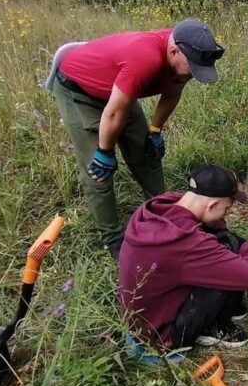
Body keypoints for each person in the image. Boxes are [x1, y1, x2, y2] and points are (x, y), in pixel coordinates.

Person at [49, 19, 224, 259]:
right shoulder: (145, 59)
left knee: (146, 152)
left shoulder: (182, 55)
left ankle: (165, 213)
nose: (194, 74)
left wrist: (154, 130)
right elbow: (113, 113)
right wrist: (105, 151)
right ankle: (114, 241)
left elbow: (172, 92)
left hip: (118, 91)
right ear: (173, 51)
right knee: (98, 171)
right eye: (192, 69)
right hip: (81, 92)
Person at [119, 165, 248, 352]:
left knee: (221, 240)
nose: (226, 214)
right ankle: (210, 328)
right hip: (160, 336)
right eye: (227, 208)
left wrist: (218, 227)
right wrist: (243, 244)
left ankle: (225, 309)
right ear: (212, 205)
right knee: (228, 253)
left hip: (142, 316)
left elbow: (216, 225)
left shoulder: (159, 206)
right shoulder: (187, 243)